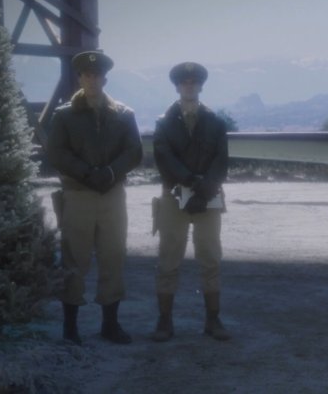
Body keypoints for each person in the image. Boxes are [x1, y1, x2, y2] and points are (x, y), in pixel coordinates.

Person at [47, 50, 143, 345]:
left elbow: (134, 151)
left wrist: (111, 173)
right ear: (80, 77)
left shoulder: (124, 114)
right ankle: (71, 328)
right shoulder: (64, 115)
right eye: (87, 74)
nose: (92, 79)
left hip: (112, 195)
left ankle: (110, 325)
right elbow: (57, 152)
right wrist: (88, 173)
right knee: (75, 259)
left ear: (104, 78)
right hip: (78, 195)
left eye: (97, 74)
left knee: (113, 257)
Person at [150, 61, 230, 342]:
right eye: (184, 83)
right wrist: (194, 184)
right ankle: (164, 322)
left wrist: (205, 189)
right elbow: (164, 159)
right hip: (174, 198)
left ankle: (213, 320)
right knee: (168, 259)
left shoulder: (216, 122)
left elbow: (221, 161)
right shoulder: (163, 122)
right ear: (177, 86)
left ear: (201, 86)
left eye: (194, 82)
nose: (189, 86)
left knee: (210, 258)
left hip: (208, 198)